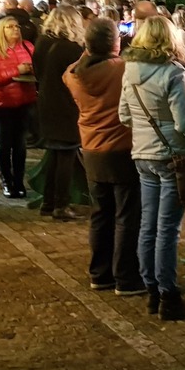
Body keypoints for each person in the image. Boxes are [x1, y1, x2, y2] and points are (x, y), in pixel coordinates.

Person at [119, 16, 185, 320]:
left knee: (148, 225)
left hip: (142, 154)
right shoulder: (173, 73)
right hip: (171, 156)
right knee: (167, 229)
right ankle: (168, 294)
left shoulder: (130, 70)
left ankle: (152, 289)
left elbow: (124, 115)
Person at [63, 19, 144, 295]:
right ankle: (126, 277)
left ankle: (100, 273)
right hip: (122, 147)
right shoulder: (120, 69)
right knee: (127, 215)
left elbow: (77, 63)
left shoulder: (74, 74)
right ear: (115, 43)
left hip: (92, 149)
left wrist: (90, 48)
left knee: (101, 214)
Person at [32, 7, 86, 220]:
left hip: (46, 102)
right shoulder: (71, 49)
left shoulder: (42, 43)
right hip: (66, 105)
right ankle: (61, 206)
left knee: (55, 155)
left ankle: (48, 202)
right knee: (66, 155)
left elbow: (38, 72)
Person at [0, 16, 37, 199]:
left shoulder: (27, 46)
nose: (15, 29)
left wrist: (32, 70)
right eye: (10, 27)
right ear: (1, 30)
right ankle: (7, 181)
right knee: (5, 145)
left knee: (20, 145)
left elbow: (39, 68)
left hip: (25, 101)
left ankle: (19, 181)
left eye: (17, 26)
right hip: (2, 103)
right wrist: (16, 71)